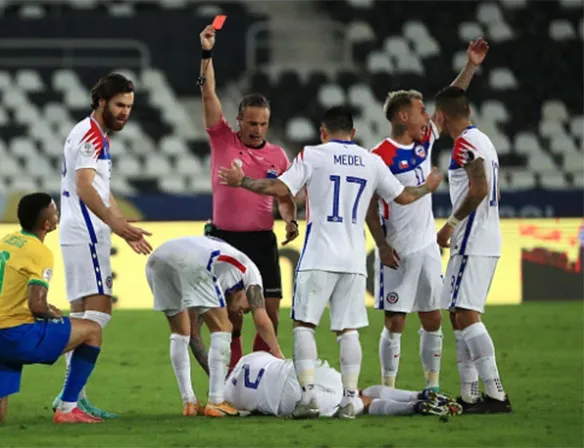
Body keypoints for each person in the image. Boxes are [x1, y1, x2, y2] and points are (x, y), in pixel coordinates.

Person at [218, 106, 443, 419]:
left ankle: (308, 395)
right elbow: (403, 196)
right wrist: (427, 187)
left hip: (319, 255)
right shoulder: (371, 160)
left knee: (305, 325)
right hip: (353, 259)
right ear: (353, 133)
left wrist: (243, 181)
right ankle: (351, 398)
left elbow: (280, 188)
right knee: (348, 330)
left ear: (323, 133)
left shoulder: (313, 154)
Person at [366, 38, 489, 391]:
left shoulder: (425, 140)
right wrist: (381, 246)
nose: (430, 117)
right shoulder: (380, 157)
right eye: (422, 111)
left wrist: (471, 65)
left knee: (433, 318)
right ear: (403, 116)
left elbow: (451, 100)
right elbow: (370, 210)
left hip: (425, 248)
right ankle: (388, 386)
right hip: (396, 251)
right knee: (394, 322)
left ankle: (431, 386)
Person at [0, 193, 105, 427]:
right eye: (55, 212)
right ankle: (68, 407)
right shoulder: (40, 251)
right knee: (92, 331)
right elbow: (36, 306)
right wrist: (51, 313)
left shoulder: (6, 241)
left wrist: (45, 308)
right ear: (46, 224)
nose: (57, 215)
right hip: (15, 335)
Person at [198, 24, 299, 370]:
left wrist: (289, 218)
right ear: (239, 120)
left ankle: (260, 371)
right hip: (225, 240)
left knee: (271, 312)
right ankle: (234, 373)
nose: (256, 130)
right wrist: (207, 54)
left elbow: (285, 196)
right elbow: (208, 93)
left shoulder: (279, 156)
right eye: (251, 123)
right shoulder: (223, 139)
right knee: (233, 314)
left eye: (263, 125)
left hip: (261, 239)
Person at [54, 73, 153, 418]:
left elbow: (98, 186)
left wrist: (120, 219)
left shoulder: (95, 135)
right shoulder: (90, 135)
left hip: (81, 230)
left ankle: (73, 398)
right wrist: (114, 223)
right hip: (85, 232)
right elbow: (84, 187)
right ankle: (42, 355)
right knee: (96, 319)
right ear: (101, 101)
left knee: (82, 315)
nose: (125, 112)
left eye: (129, 106)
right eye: (119, 105)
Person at [434, 86, 511, 414]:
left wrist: (450, 223)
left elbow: (479, 188)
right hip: (483, 237)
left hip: (472, 238)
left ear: (442, 116)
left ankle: (496, 394)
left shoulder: (465, 143)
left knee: (466, 313)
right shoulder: (483, 140)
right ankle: (469, 394)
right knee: (456, 314)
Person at [146, 236, 283, 417]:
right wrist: (278, 355)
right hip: (191, 259)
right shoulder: (251, 273)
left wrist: (217, 376)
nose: (244, 312)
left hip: (157, 260)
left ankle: (189, 402)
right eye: (246, 308)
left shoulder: (219, 277)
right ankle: (217, 402)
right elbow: (262, 319)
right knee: (223, 327)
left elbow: (194, 335)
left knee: (181, 333)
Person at [225, 351, 462, 418]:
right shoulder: (249, 358)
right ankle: (416, 396)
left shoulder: (228, 393)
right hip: (294, 372)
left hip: (283, 403)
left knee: (355, 401)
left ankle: (416, 406)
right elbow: (277, 357)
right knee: (352, 394)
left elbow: (242, 410)